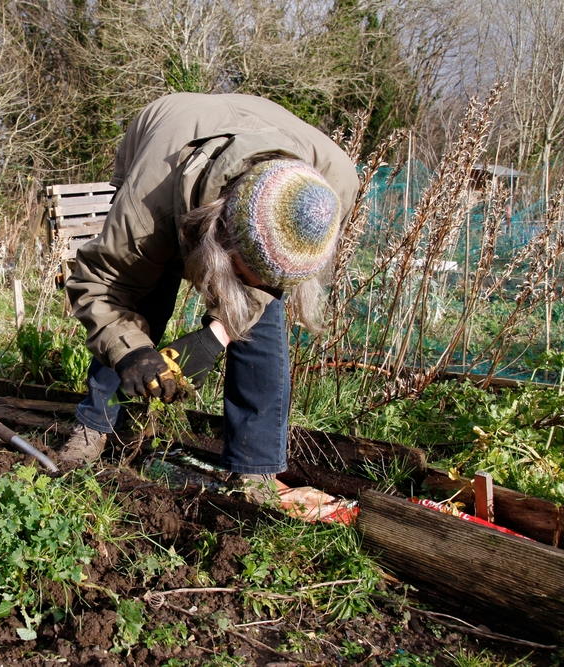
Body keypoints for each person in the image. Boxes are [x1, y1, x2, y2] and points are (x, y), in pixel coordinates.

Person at [60, 93, 359, 501]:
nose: (251, 288)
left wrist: (216, 336)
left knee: (262, 323)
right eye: (243, 273)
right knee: (143, 295)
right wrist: (130, 352)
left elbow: (262, 289)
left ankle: (254, 469)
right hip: (165, 144)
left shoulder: (334, 186)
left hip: (261, 144)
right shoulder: (147, 207)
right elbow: (106, 283)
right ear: (218, 239)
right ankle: (95, 425)